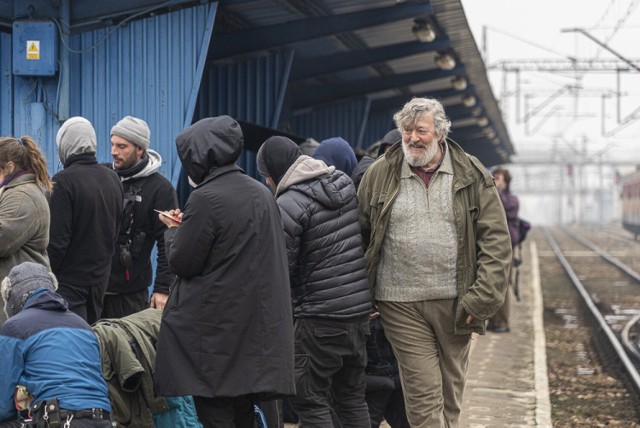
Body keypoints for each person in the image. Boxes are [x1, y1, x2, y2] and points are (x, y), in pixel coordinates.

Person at [357, 97, 512, 427]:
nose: (412, 138)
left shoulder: (471, 173)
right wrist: (361, 294)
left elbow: (496, 241)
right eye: (406, 130)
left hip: (457, 301)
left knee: (449, 390)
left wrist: (483, 298)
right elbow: (360, 234)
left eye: (421, 130)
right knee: (422, 392)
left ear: (440, 132)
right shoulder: (380, 174)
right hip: (399, 302)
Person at [153, 116, 295, 428]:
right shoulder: (261, 193)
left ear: (200, 156)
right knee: (244, 412)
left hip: (215, 335)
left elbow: (183, 263)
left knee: (215, 414)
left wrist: (173, 231)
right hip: (253, 330)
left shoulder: (205, 198)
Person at [256, 135, 372, 427]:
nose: (268, 183)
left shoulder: (289, 203)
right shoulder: (344, 185)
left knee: (310, 400)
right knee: (352, 397)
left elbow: (281, 268)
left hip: (319, 318)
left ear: (275, 171)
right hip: (357, 314)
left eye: (266, 176)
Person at [0, 262, 111, 427]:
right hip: (103, 419)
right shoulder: (84, 326)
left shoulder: (15, 327)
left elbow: (3, 406)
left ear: (12, 298)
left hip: (59, 419)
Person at [48, 117, 123, 324]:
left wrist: (46, 280)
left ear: (65, 145)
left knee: (70, 347)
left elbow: (56, 243)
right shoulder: (112, 178)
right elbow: (115, 230)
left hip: (68, 287)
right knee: (92, 342)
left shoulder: (63, 182)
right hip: (99, 281)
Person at [102, 116, 178, 318]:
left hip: (130, 295)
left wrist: (162, 288)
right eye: (112, 144)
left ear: (140, 149)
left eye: (122, 146)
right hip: (94, 290)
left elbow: (168, 242)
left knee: (128, 349)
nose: (113, 152)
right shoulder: (101, 176)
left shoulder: (160, 190)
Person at [0, 136, 52, 326]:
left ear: (10, 168)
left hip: (17, 306)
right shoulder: (15, 192)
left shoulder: (21, 197)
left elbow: (2, 239)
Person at [487, 167, 520, 333]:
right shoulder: (491, 195)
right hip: (492, 245)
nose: (495, 180)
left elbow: (503, 206)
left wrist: (496, 189)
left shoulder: (512, 200)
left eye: (498, 178)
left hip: (507, 247)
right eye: (494, 177)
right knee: (491, 283)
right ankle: (493, 321)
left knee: (504, 284)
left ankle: (504, 322)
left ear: (505, 182)